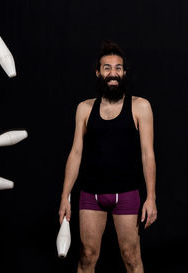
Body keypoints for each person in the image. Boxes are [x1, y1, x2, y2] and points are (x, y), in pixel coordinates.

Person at [58, 41, 157, 273]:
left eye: (118, 68)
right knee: (87, 256)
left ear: (124, 72)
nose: (113, 73)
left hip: (126, 193)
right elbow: (76, 153)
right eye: (107, 68)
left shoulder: (140, 107)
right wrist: (65, 197)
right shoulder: (84, 108)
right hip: (90, 194)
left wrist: (151, 197)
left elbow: (147, 154)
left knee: (131, 257)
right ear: (98, 72)